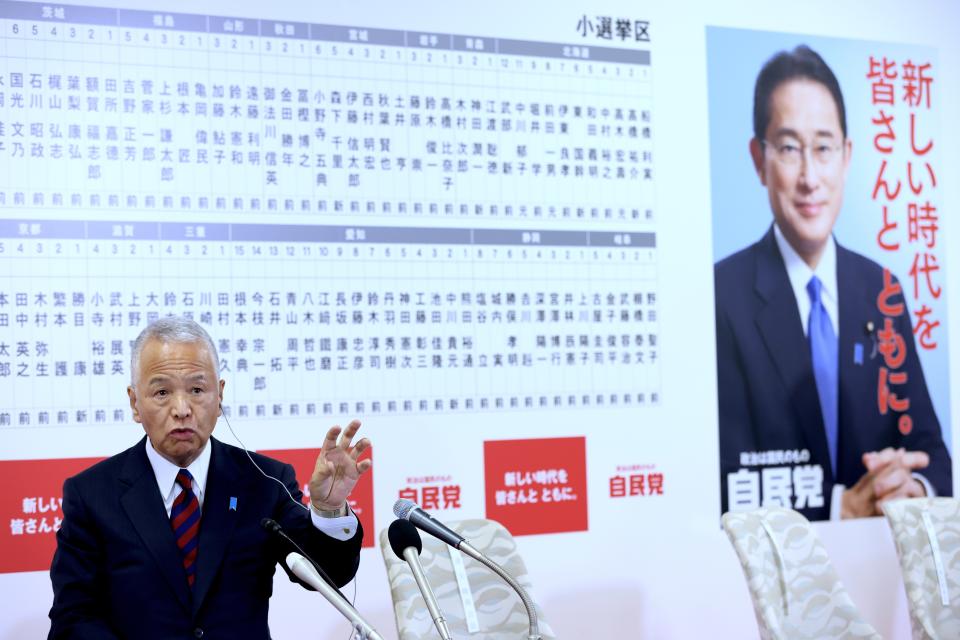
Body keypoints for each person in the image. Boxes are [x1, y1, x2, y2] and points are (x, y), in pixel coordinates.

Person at [715, 45, 951, 521]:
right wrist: (837, 506)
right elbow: (715, 479)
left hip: (881, 575)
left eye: (823, 148)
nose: (809, 177)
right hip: (769, 582)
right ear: (758, 159)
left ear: (846, 157)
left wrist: (911, 488)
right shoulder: (721, 297)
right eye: (788, 148)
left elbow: (932, 454)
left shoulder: (881, 290)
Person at [48, 316, 373, 639]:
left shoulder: (264, 481)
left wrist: (329, 509)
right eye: (162, 392)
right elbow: (73, 619)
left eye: (197, 389)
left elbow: (326, 575)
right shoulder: (91, 495)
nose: (181, 409)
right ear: (135, 403)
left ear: (219, 396)